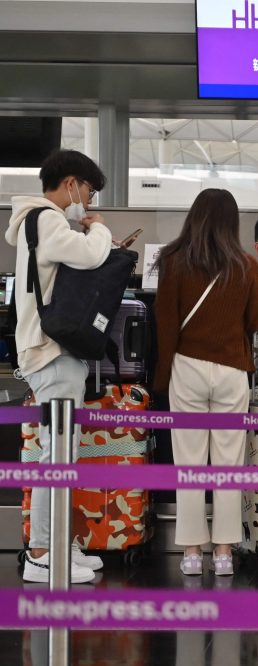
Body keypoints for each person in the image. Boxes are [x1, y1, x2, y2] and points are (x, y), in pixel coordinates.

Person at [6, 150, 112, 583]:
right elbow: (91, 257)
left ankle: (57, 543)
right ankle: (42, 553)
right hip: (51, 353)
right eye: (87, 189)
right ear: (71, 183)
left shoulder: (38, 221)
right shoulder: (47, 219)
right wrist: (100, 230)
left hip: (46, 351)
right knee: (58, 457)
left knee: (60, 454)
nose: (87, 200)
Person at [154, 188, 258, 577]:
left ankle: (190, 550)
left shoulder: (172, 260)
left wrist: (162, 376)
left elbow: (165, 324)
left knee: (190, 464)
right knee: (228, 464)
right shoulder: (246, 265)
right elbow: (255, 320)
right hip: (232, 369)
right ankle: (223, 552)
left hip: (187, 367)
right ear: (231, 222)